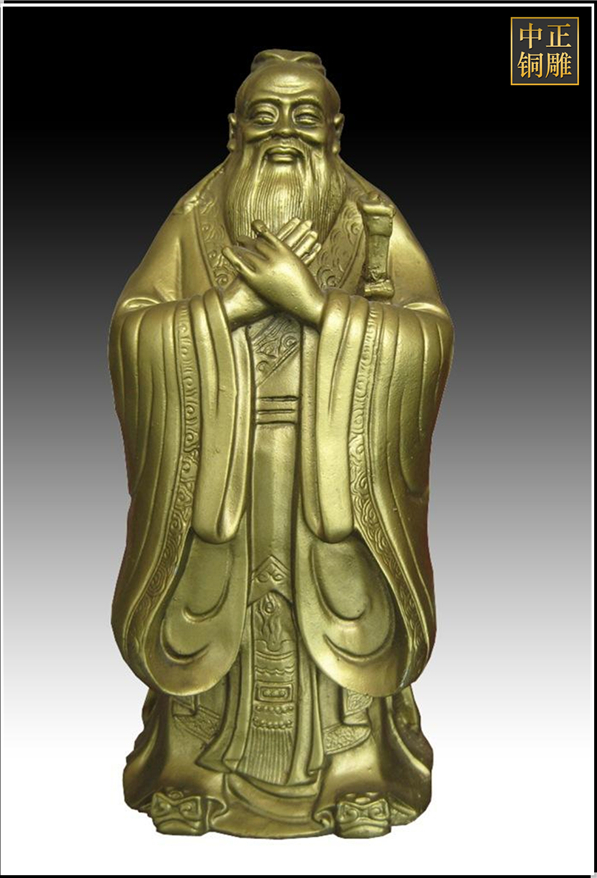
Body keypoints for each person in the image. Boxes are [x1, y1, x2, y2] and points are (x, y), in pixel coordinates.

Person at [109, 49, 453, 838]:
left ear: (336, 131)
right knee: (204, 605)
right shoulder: (197, 216)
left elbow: (428, 336)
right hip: (219, 465)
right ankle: (192, 769)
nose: (284, 135)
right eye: (264, 117)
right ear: (234, 131)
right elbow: (134, 329)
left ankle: (355, 770)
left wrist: (317, 307)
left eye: (305, 118)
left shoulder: (372, 218)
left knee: (345, 607)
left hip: (334, 472)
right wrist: (229, 306)